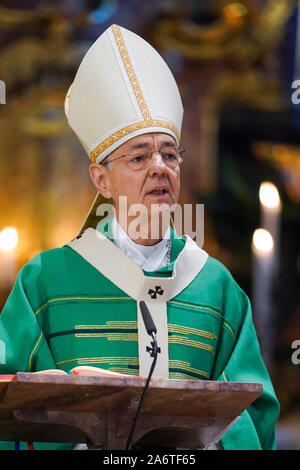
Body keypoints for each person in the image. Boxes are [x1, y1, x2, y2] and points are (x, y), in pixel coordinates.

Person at [0, 24, 279, 450]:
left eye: (170, 153)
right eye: (138, 156)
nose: (159, 167)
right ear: (101, 179)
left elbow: (256, 416)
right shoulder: (43, 284)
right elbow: (8, 414)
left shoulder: (217, 289)